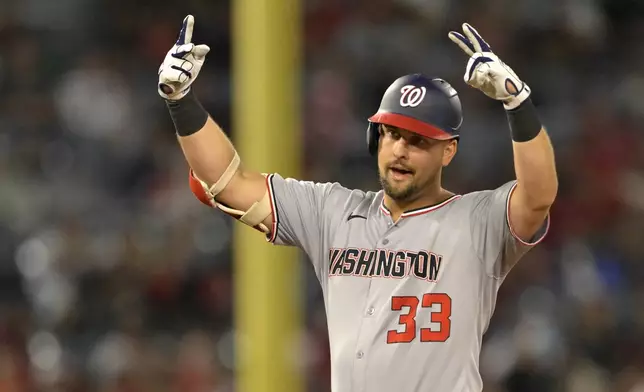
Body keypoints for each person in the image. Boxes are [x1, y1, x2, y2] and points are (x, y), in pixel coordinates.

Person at [157, 15, 558, 392]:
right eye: (391, 134)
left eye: (418, 140)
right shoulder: (332, 211)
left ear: (448, 152)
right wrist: (182, 100)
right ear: (374, 138)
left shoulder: (477, 221)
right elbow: (228, 184)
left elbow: (538, 196)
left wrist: (516, 103)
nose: (400, 149)